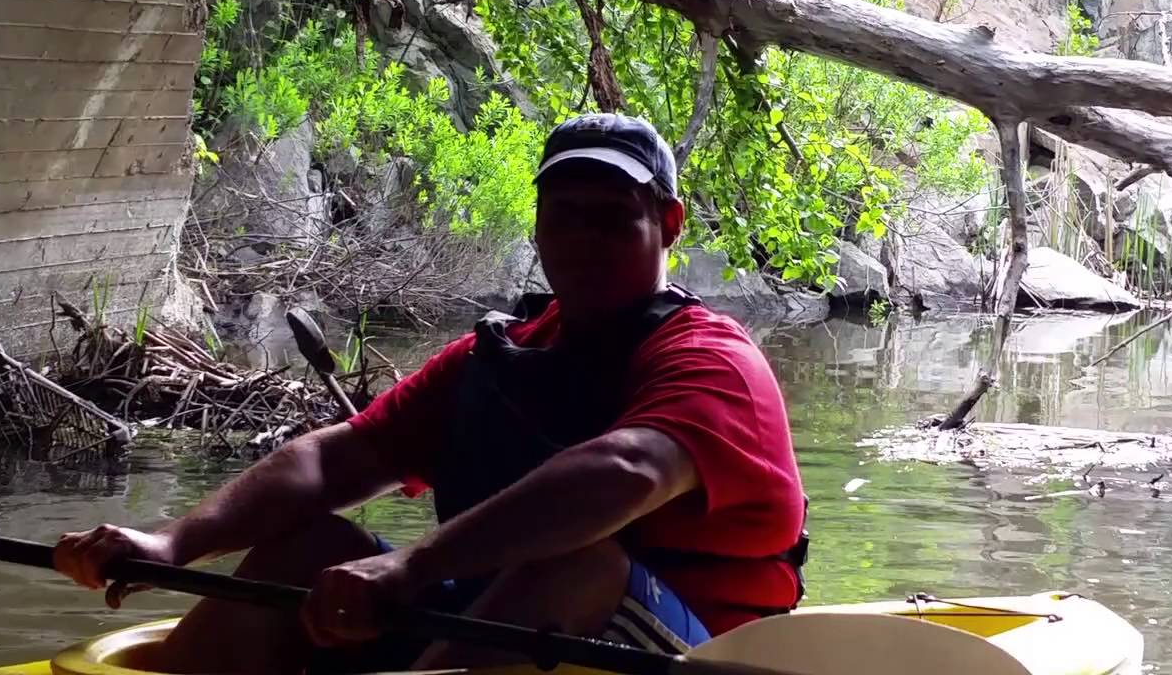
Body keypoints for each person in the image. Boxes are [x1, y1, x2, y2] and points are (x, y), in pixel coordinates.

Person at [53, 113, 808, 674]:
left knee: (580, 559)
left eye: (613, 221)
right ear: (539, 227)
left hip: (709, 656)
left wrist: (408, 567)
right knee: (313, 546)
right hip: (495, 633)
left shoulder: (711, 360)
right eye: (563, 217)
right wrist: (173, 542)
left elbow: (625, 472)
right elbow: (339, 459)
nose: (582, 242)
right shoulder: (496, 356)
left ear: (668, 225)